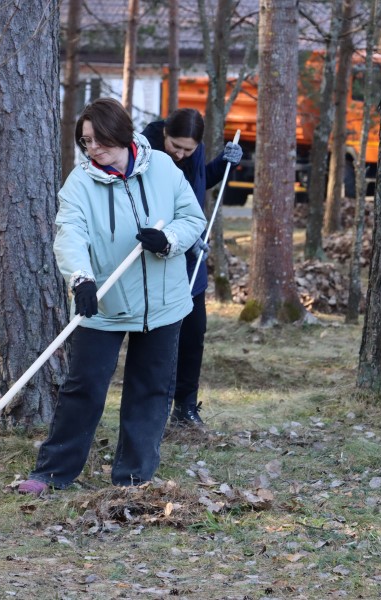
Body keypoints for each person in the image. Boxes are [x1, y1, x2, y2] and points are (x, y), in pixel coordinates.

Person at [17, 98, 207, 496]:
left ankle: (134, 476)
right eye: (86, 141)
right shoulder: (80, 184)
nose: (93, 148)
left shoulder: (163, 168)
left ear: (120, 134)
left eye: (99, 139)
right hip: (104, 301)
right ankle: (53, 472)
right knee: (83, 387)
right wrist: (81, 279)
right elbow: (70, 234)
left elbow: (192, 219)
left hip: (164, 303)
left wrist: (168, 240)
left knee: (150, 389)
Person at [141, 109, 243, 428]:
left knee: (193, 334)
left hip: (192, 262)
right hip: (160, 260)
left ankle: (185, 408)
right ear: (165, 134)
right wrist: (183, 236)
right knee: (159, 339)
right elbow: (148, 208)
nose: (181, 154)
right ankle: (150, 409)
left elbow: (199, 185)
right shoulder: (145, 151)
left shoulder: (192, 153)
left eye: (189, 149)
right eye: (176, 146)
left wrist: (224, 163)